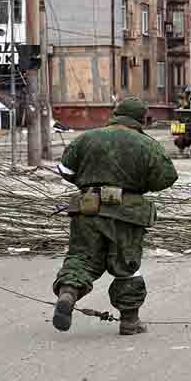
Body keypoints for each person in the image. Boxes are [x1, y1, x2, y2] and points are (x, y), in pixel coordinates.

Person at [52, 97, 178, 335]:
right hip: (126, 214)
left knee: (81, 258)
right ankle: (130, 321)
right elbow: (167, 177)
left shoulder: (87, 138)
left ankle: (68, 293)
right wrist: (140, 185)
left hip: (87, 208)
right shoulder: (147, 144)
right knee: (126, 265)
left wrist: (89, 182)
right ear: (141, 120)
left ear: (116, 114)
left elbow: (65, 170)